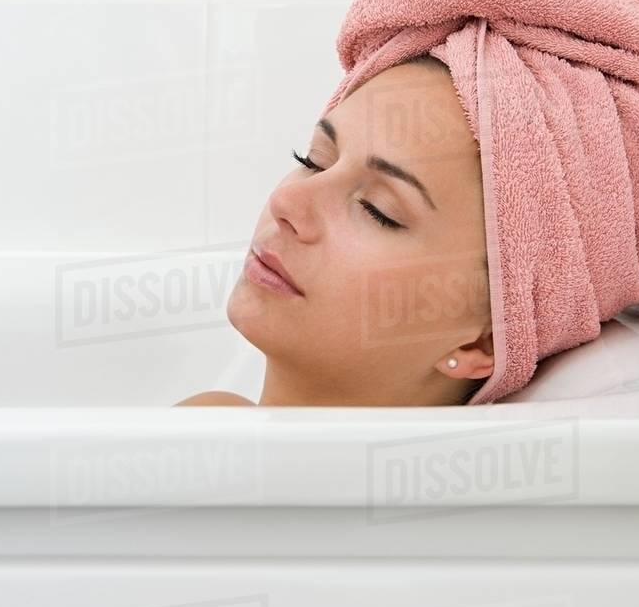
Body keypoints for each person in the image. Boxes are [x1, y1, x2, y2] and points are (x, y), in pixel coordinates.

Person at [177, 55, 493, 407]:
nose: (286, 201)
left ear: (481, 342)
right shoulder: (206, 422)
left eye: (378, 211)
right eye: (314, 162)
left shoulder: (208, 425)